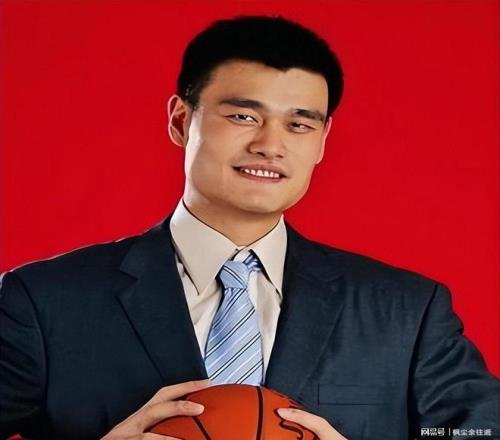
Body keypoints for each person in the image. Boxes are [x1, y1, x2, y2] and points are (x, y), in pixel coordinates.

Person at [0, 15, 498, 440]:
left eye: (299, 124)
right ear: (180, 120)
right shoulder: (43, 302)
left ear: (323, 140)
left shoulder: (406, 311)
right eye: (243, 115)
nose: (270, 145)